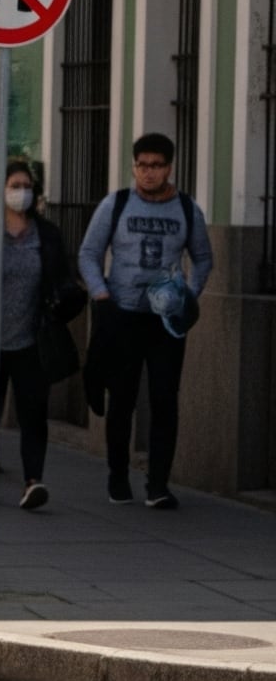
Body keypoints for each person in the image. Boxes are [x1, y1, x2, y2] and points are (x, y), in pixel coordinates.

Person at [77, 131, 214, 509]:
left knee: (165, 399)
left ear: (169, 167)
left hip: (165, 322)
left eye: (156, 166)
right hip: (121, 314)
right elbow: (88, 253)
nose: (148, 173)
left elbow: (203, 257)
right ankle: (118, 476)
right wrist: (101, 294)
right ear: (133, 166)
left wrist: (188, 295)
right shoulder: (116, 204)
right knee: (121, 399)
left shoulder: (187, 210)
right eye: (142, 165)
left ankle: (158, 484)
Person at [0, 158, 81, 512]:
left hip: (31, 337)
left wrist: (65, 303)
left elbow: (61, 277)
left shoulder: (46, 234)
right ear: (0, 191)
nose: (20, 193)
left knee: (33, 411)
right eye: (14, 186)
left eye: (26, 186)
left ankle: (33, 480)